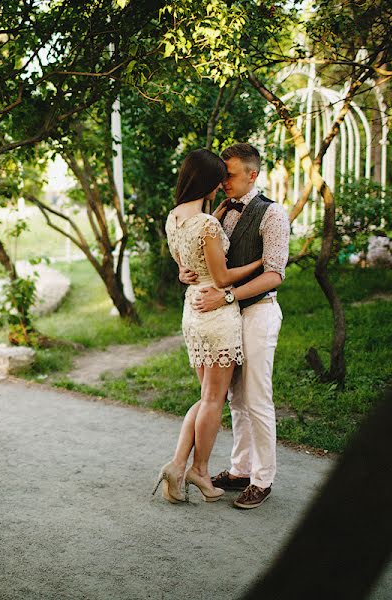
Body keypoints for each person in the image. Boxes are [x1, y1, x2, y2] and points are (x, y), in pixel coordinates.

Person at [181, 143, 290, 509]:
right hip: (225, 318)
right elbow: (210, 259)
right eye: (222, 175)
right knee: (235, 398)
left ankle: (263, 478)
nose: (223, 181)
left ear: (252, 175)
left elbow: (274, 274)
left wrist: (227, 297)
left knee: (258, 398)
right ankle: (240, 469)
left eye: (230, 175)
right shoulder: (220, 212)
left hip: (258, 313)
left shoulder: (273, 215)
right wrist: (187, 270)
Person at [153, 149, 263, 504]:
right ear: (208, 182)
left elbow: (188, 263)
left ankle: (177, 463)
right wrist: (260, 263)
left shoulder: (175, 218)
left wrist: (186, 272)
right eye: (219, 177)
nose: (223, 183)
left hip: (192, 313)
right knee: (214, 399)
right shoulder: (208, 225)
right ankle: (198, 470)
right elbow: (221, 275)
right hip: (216, 315)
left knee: (206, 398)